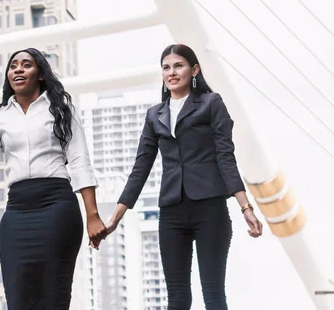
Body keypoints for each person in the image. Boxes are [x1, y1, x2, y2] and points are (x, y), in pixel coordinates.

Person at [0, 48, 107, 309]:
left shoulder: (61, 110)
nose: (18, 69)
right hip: (17, 213)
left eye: (26, 65)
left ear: (39, 73)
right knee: (18, 300)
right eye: (13, 65)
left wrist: (92, 215)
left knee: (54, 298)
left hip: (57, 209)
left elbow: (80, 161)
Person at [106, 44, 263, 310]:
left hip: (209, 208)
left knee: (213, 294)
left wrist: (245, 207)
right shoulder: (154, 115)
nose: (172, 72)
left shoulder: (211, 104)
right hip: (171, 211)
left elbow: (226, 156)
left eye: (178, 66)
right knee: (177, 298)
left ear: (194, 70)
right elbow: (141, 166)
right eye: (166, 67)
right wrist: (115, 218)